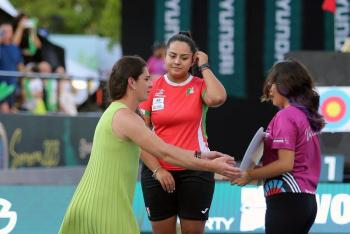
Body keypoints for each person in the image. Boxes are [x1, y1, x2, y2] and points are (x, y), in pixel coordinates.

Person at [59, 55, 240, 234]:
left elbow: (165, 150)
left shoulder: (119, 113)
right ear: (131, 82)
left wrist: (203, 155)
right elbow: (166, 153)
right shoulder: (125, 118)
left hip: (93, 204)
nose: (151, 84)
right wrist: (211, 166)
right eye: (146, 79)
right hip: (104, 207)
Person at [139, 32, 227, 234]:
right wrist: (157, 171)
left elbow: (218, 98)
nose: (177, 61)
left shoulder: (199, 85)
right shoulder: (152, 86)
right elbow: (140, 136)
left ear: (193, 59)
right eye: (172, 55)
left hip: (196, 169)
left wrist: (204, 66)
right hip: (158, 171)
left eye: (184, 57)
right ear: (164, 56)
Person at [233, 60, 325, 234]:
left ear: (285, 85)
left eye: (272, 83)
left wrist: (250, 174)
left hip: (287, 201)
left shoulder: (285, 116)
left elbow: (285, 165)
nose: (268, 89)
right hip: (306, 202)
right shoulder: (304, 116)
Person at [0, 22, 25, 113]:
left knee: (12, 109)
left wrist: (23, 86)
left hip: (12, 85)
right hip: (1, 86)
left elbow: (20, 66)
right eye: (4, 31)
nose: (7, 33)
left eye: (9, 31)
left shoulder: (14, 48)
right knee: (4, 107)